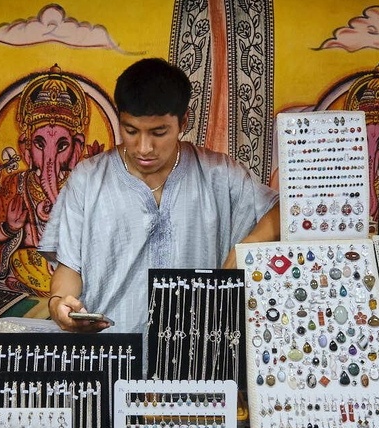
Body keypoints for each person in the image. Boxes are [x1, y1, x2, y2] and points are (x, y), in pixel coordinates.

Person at [39, 58, 279, 333]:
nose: (143, 147)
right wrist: (59, 303)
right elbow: (70, 267)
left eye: (158, 132)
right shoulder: (88, 179)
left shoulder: (219, 175)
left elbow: (289, 210)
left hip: (194, 356)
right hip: (110, 351)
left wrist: (245, 247)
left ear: (183, 122)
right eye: (130, 131)